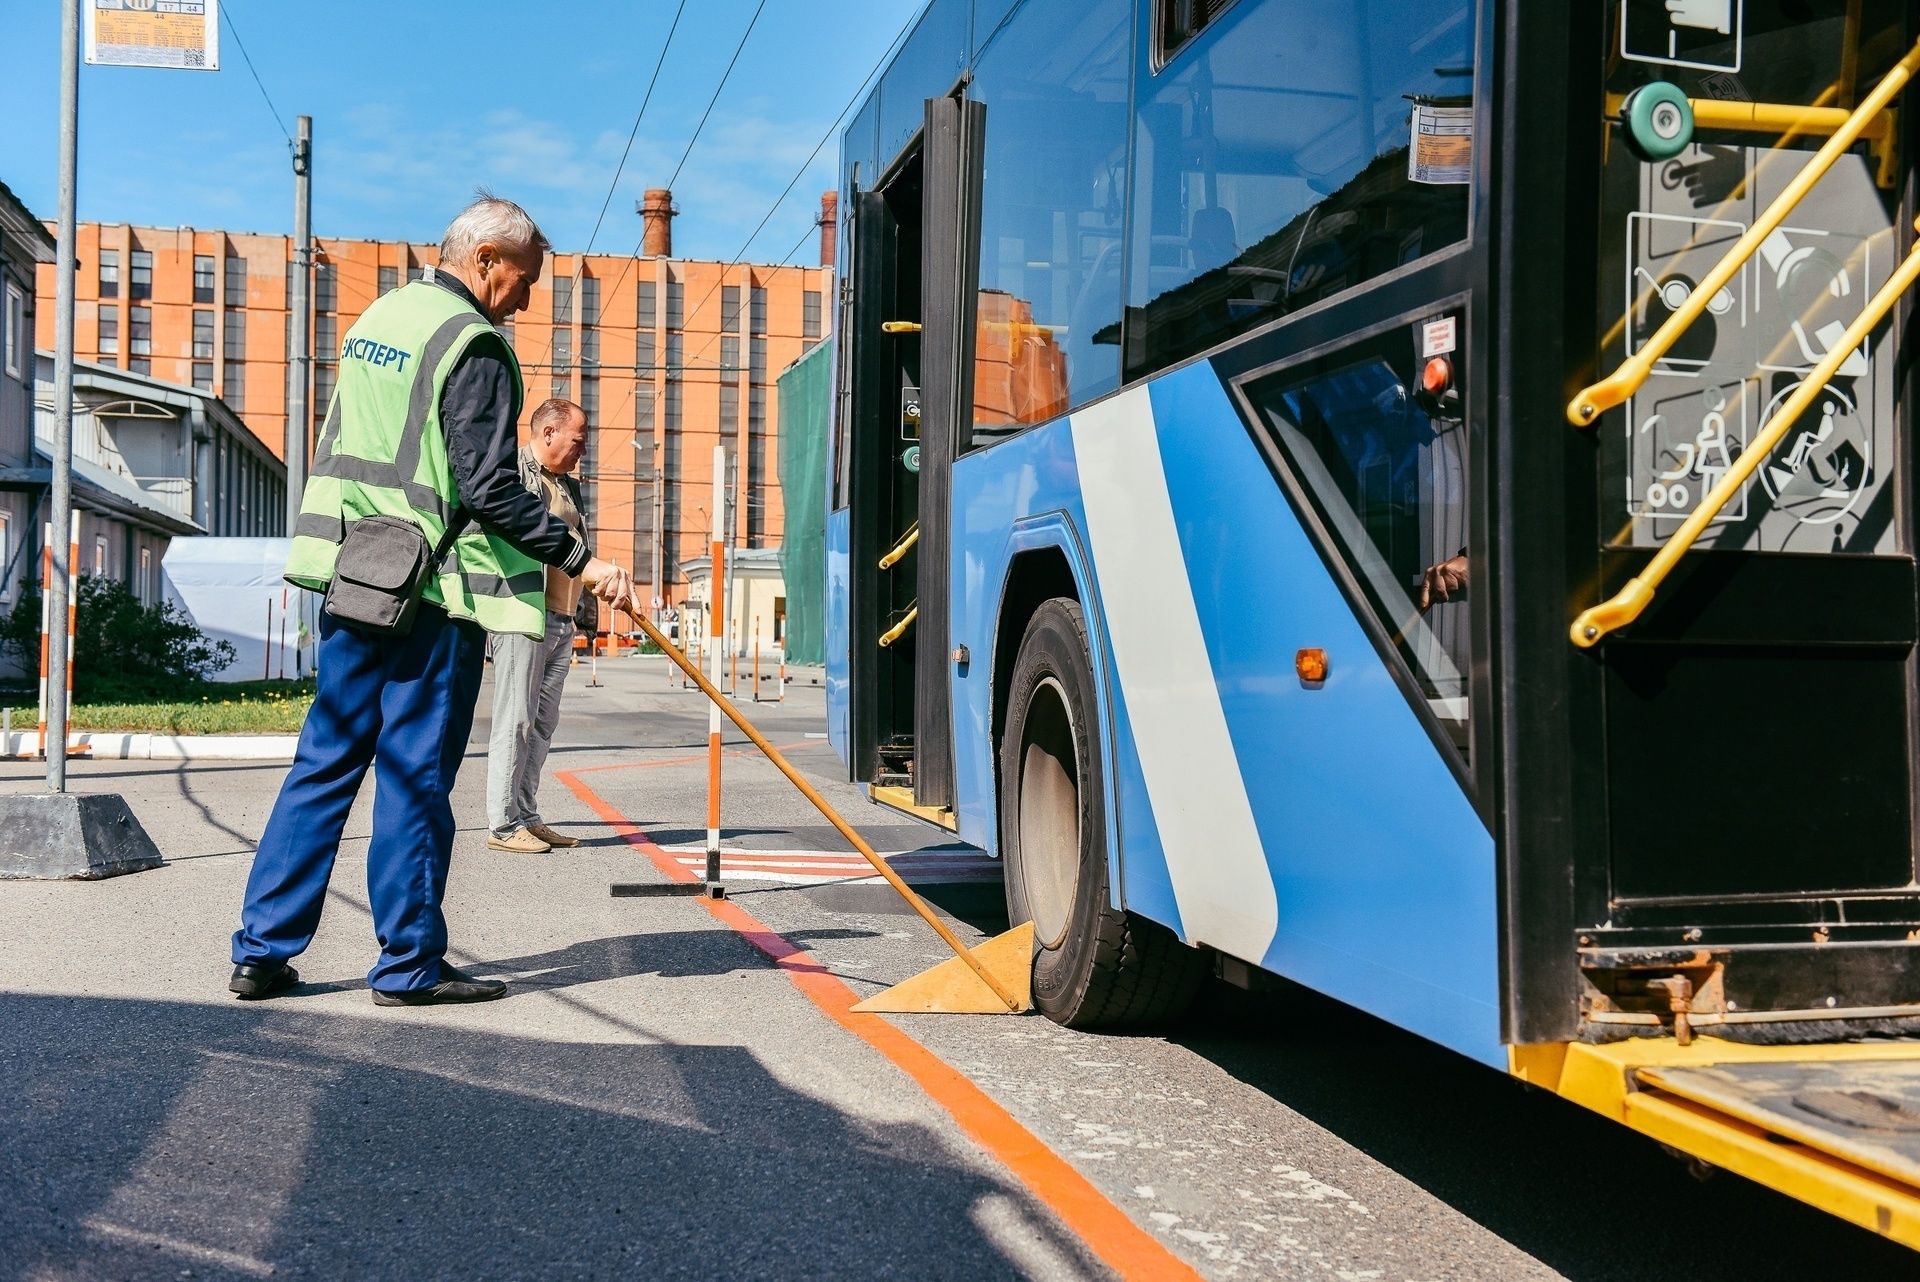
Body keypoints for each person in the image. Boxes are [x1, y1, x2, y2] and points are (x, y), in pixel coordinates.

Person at [228, 194, 632, 1007]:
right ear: (485, 259)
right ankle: (408, 965)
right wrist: (582, 560)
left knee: (324, 763)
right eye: (523, 279)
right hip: (432, 594)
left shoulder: (379, 321)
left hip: (355, 577)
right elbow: (487, 488)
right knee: (414, 777)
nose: (525, 300)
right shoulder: (471, 343)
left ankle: (261, 953)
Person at [486, 397, 591, 853]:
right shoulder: (511, 473)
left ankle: (527, 815)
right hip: (524, 612)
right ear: (548, 432)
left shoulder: (567, 485)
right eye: (577, 440)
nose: (582, 450)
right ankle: (503, 825)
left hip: (563, 619)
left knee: (544, 723)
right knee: (516, 720)